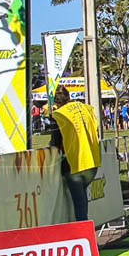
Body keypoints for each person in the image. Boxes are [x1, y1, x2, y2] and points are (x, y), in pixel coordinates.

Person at [47, 85, 100, 222]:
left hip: (73, 163)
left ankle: (82, 235)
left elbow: (55, 142)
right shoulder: (85, 107)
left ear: (55, 102)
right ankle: (83, 231)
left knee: (79, 204)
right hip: (92, 160)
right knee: (81, 200)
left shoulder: (58, 115)